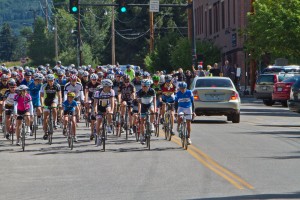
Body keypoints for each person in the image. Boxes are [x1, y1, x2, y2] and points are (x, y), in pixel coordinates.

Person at [93, 79, 115, 146]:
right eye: (109, 86)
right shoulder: (98, 92)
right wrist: (96, 111)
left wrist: (112, 110)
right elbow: (95, 103)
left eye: (111, 86)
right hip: (99, 107)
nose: (111, 88)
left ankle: (109, 125)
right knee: (99, 121)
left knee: (109, 111)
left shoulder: (111, 91)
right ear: (105, 86)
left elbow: (112, 102)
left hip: (107, 105)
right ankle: (98, 135)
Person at [40, 74, 62, 139]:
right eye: (49, 81)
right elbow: (41, 96)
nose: (50, 82)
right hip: (47, 100)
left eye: (52, 81)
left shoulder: (57, 85)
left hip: (54, 99)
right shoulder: (44, 86)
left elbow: (59, 96)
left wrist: (60, 103)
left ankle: (54, 122)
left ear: (54, 80)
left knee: (54, 107)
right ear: (47, 81)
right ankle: (45, 132)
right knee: (45, 117)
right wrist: (42, 104)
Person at [137, 79, 156, 144]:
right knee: (142, 121)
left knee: (152, 111)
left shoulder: (152, 90)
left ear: (148, 86)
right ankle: (142, 136)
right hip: (143, 105)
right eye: (142, 86)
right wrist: (139, 111)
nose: (143, 87)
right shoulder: (140, 92)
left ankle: (151, 123)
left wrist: (155, 109)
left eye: (145, 86)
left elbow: (154, 100)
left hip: (150, 104)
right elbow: (139, 102)